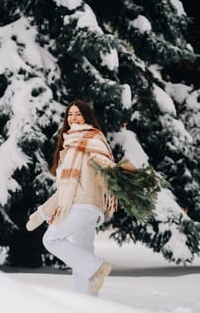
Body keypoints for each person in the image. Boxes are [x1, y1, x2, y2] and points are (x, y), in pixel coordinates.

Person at [26, 100, 137, 295]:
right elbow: (65, 190)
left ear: (86, 116)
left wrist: (114, 172)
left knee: (51, 239)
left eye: (78, 114)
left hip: (84, 205)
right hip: (78, 206)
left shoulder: (93, 138)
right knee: (81, 255)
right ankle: (87, 302)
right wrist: (42, 214)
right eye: (70, 114)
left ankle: (97, 268)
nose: (73, 118)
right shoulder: (69, 145)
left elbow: (103, 161)